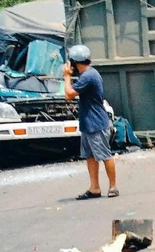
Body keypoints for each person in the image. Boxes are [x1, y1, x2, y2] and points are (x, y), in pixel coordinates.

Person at [63, 44, 118, 200]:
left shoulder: (88, 76)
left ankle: (113, 186)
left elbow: (69, 94)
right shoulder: (86, 75)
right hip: (88, 122)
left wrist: (66, 76)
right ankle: (94, 188)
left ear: (75, 62)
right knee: (90, 156)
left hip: (96, 123)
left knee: (105, 155)